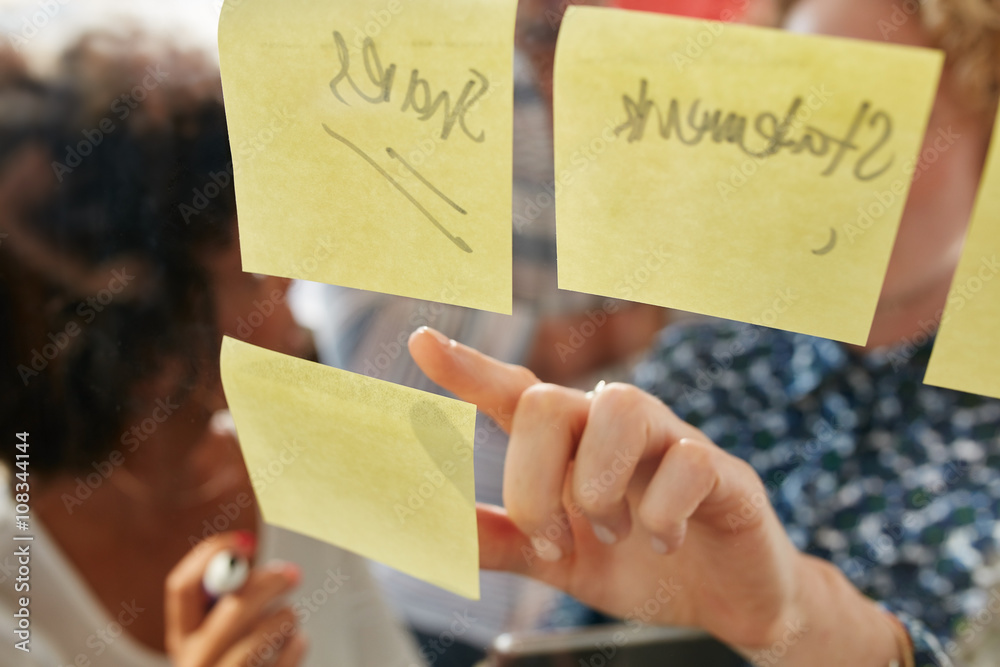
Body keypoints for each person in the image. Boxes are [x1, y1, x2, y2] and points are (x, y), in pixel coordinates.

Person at [401, 0, 999, 665]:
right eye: (797, 113)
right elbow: (569, 632)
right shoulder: (704, 362)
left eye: (882, 120)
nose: (827, 164)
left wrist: (792, 619)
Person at [0, 31, 420, 666]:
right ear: (146, 320)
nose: (296, 307)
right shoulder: (16, 560)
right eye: (258, 276)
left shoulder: (297, 479)